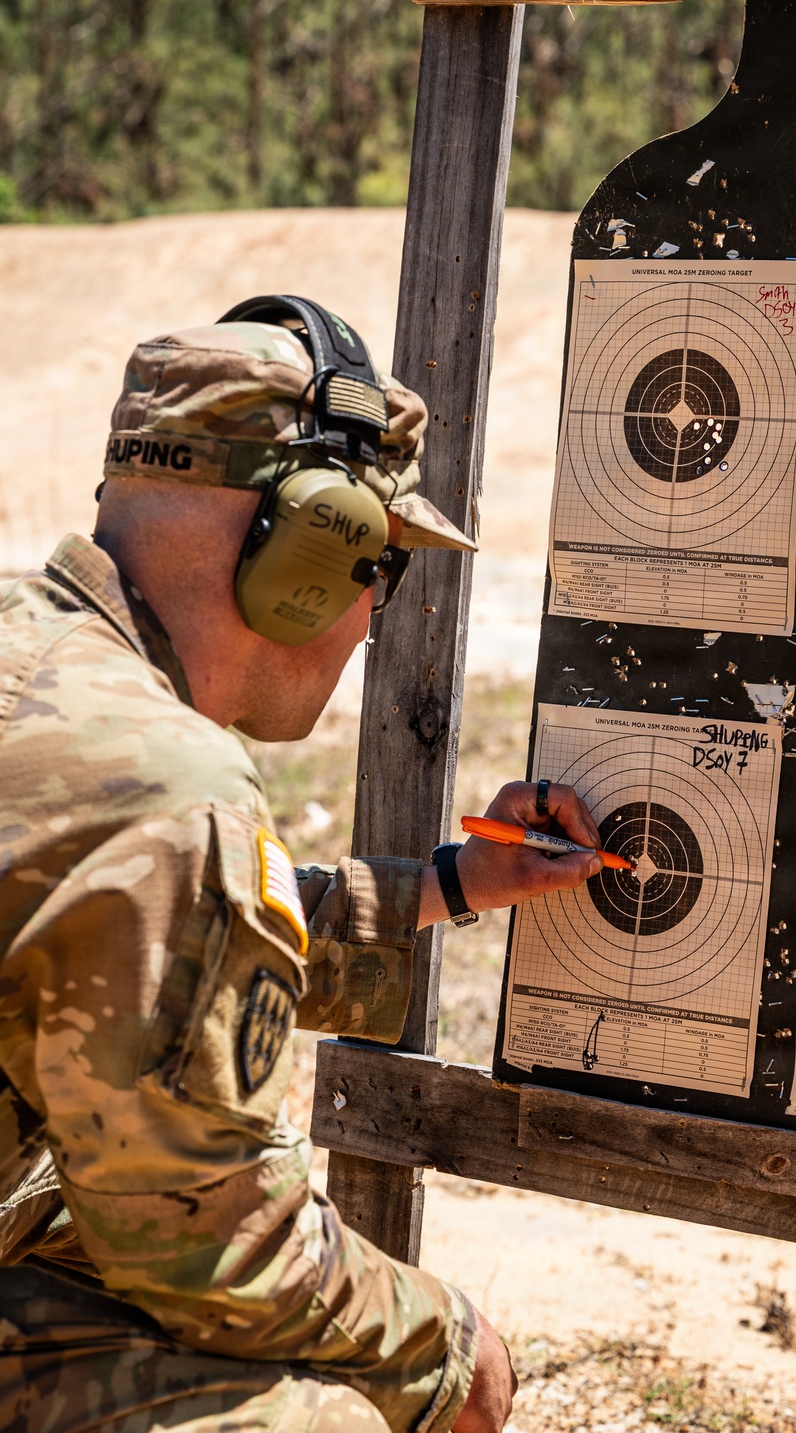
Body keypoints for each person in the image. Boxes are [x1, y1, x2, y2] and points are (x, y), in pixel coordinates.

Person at [0, 302, 604, 1433]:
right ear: (308, 552)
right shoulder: (161, 781)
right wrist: (446, 1342)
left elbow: (146, 953)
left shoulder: (45, 677)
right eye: (380, 565)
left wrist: (452, 882)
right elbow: (205, 1240)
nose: (374, 611)